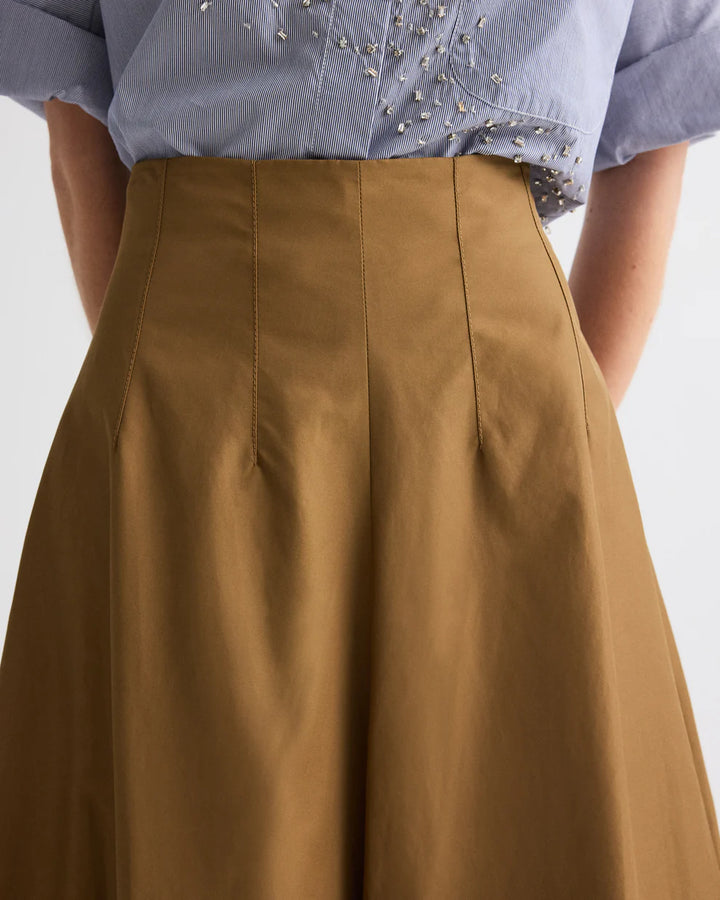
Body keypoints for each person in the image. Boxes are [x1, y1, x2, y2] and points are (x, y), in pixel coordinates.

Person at [0, 0, 719, 896]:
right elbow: (77, 107)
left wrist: (553, 445)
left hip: (510, 427)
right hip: (181, 417)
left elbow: (659, 101)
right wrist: (165, 391)